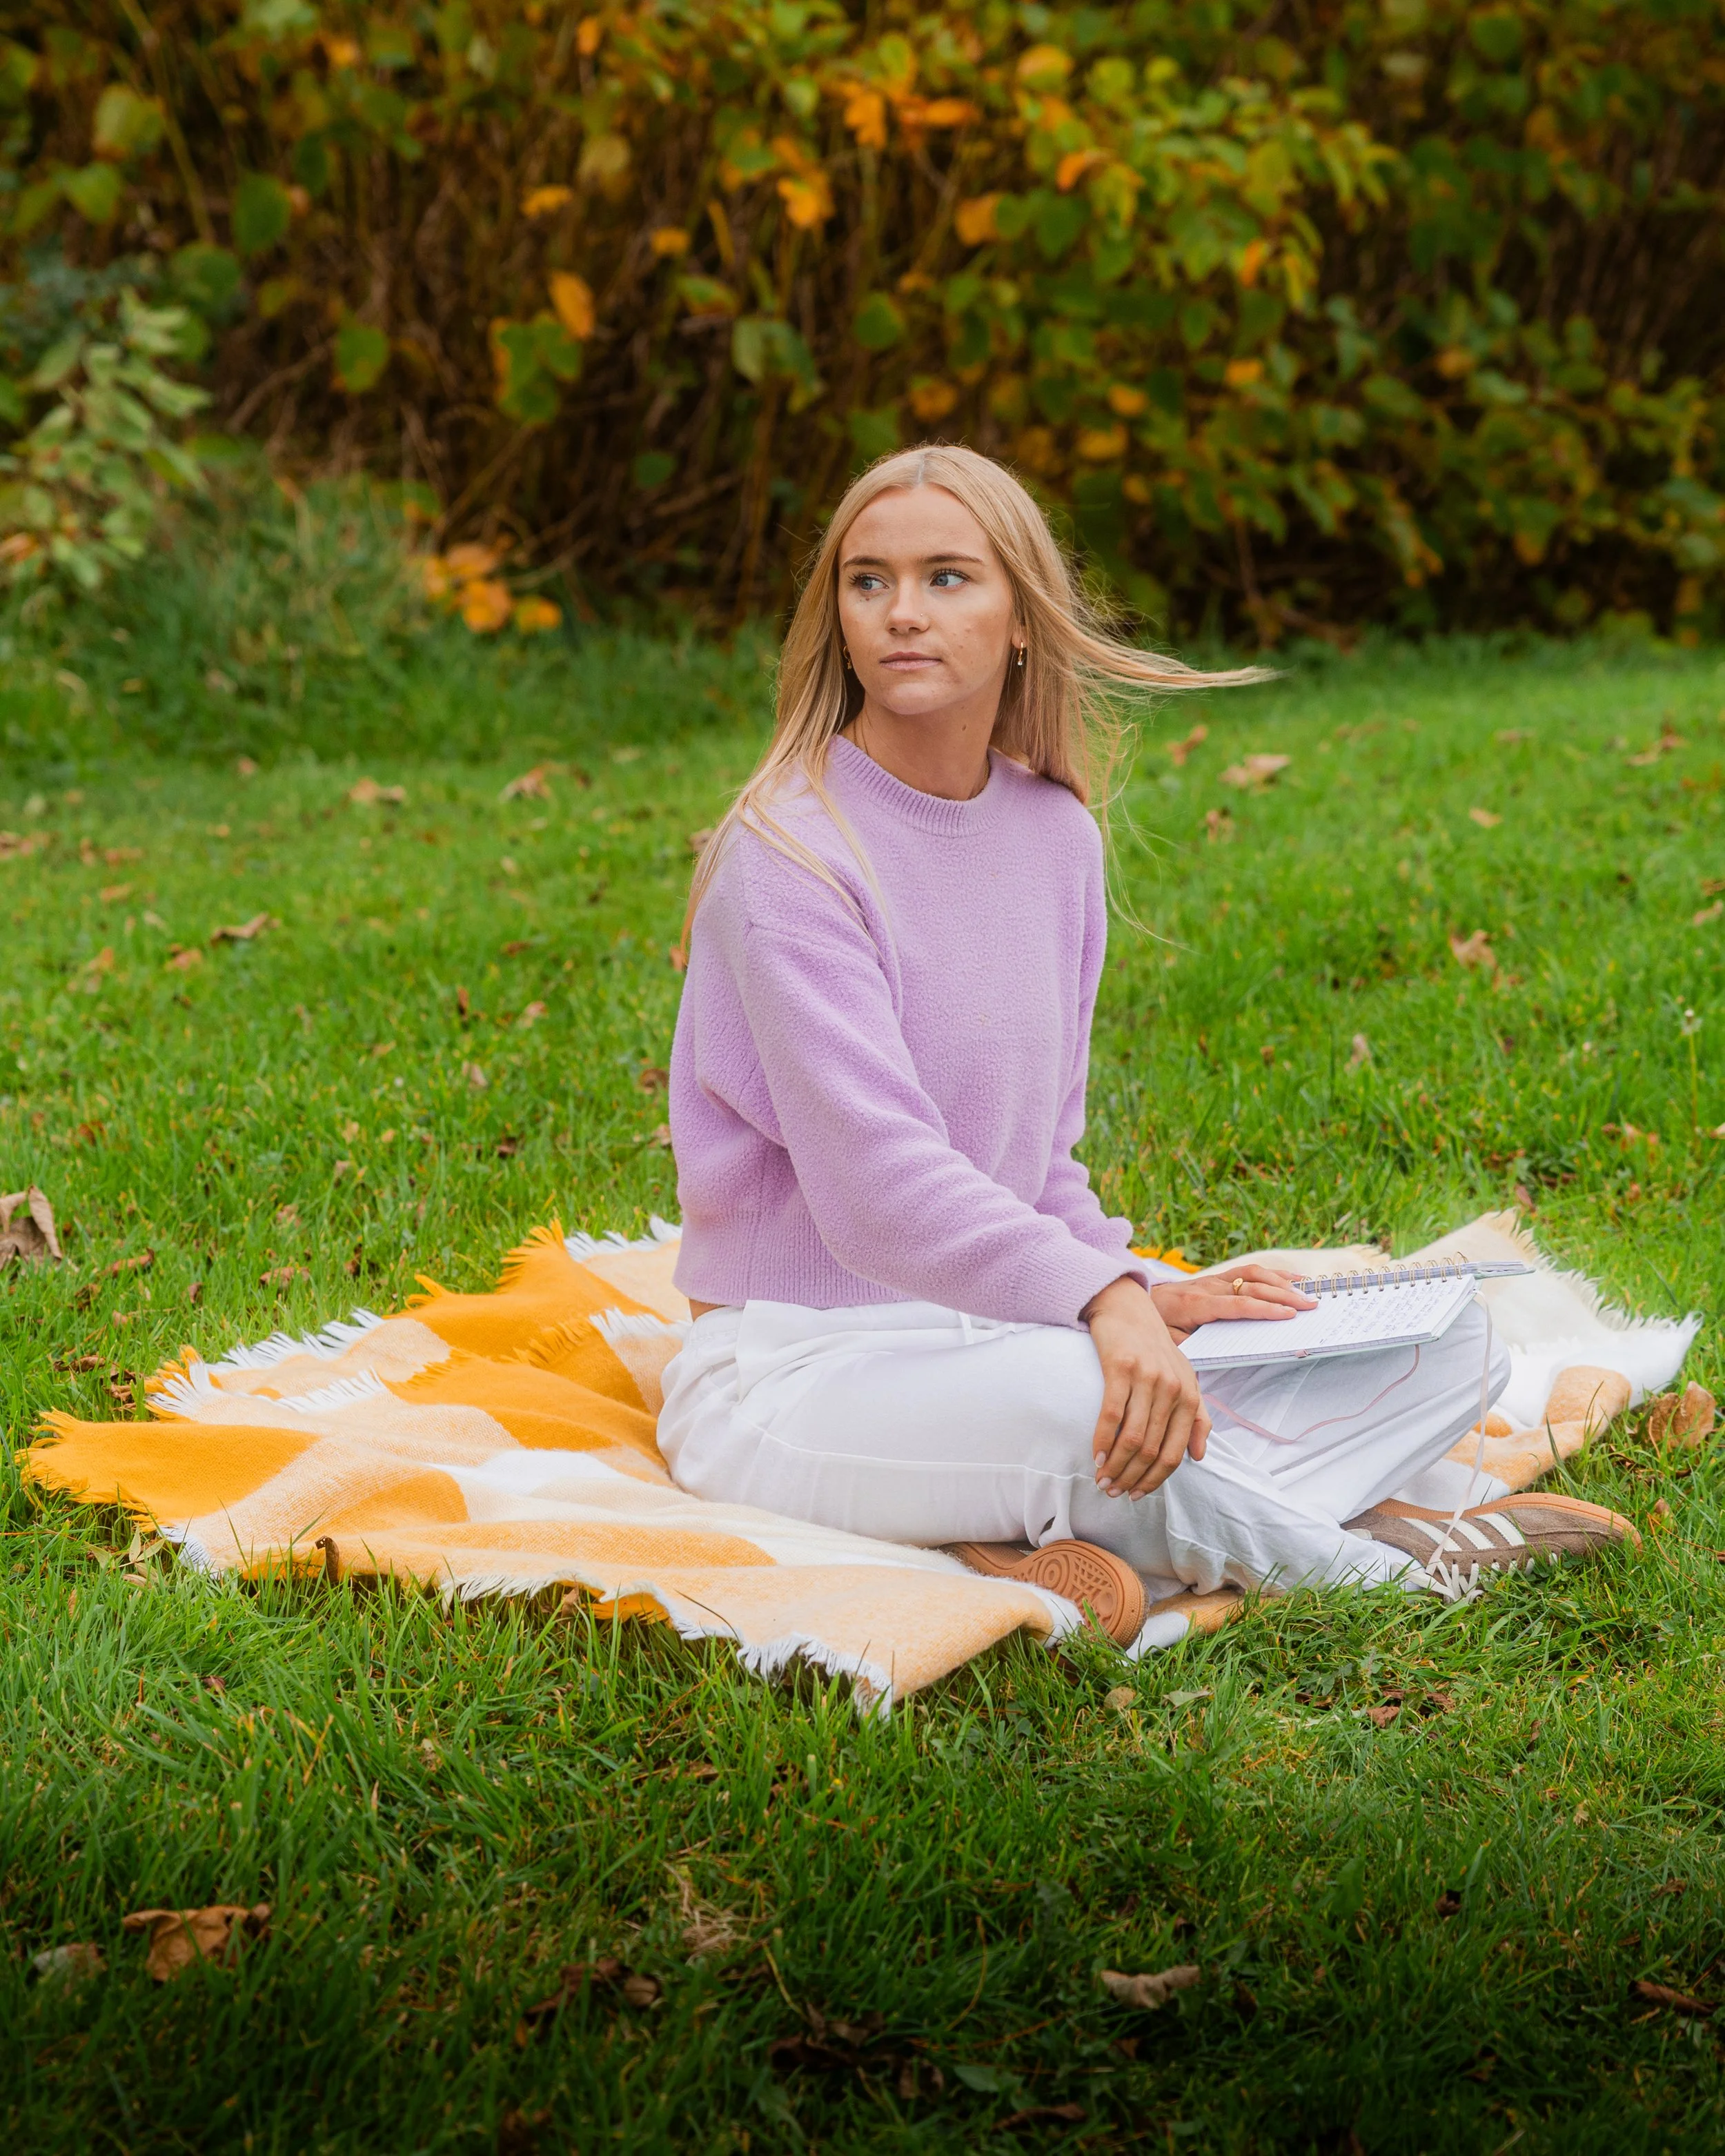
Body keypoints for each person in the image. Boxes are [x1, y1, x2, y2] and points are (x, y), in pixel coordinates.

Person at [657, 444, 1635, 1646]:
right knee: (1084, 1407)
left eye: (948, 577)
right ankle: (1381, 1563)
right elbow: (878, 1193)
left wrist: (1149, 1295)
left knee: (1439, 1345)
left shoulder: (1054, 835)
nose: (903, 613)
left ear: (1022, 617)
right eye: (869, 582)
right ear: (838, 617)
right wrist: (1106, 1304)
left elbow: (1042, 1161)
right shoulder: (788, 855)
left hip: (1002, 1327)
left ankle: (1067, 1535)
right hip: (797, 1375)